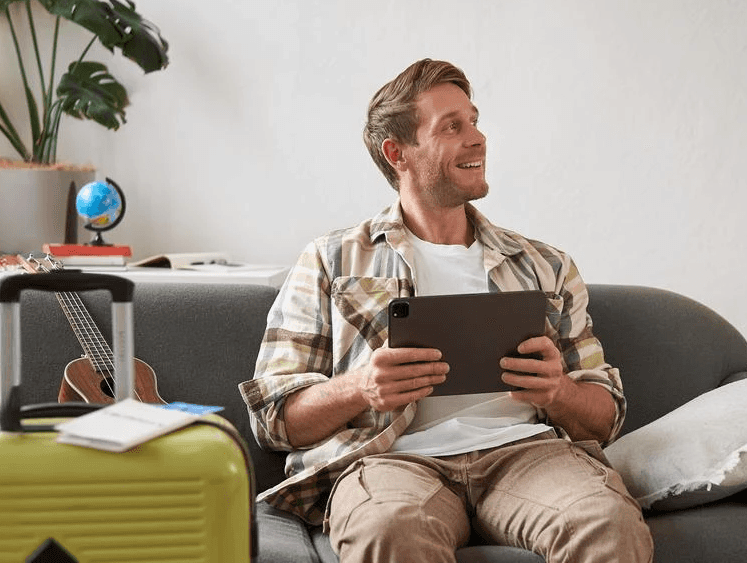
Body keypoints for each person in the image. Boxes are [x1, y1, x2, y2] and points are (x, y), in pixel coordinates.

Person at [241, 59, 652, 563]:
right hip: (392, 460)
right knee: (390, 527)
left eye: (474, 121)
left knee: (606, 522)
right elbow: (275, 420)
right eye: (452, 127)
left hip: (525, 453)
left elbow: (605, 416)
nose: (477, 138)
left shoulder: (546, 265)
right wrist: (361, 386)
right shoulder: (331, 260)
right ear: (399, 153)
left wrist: (559, 390)